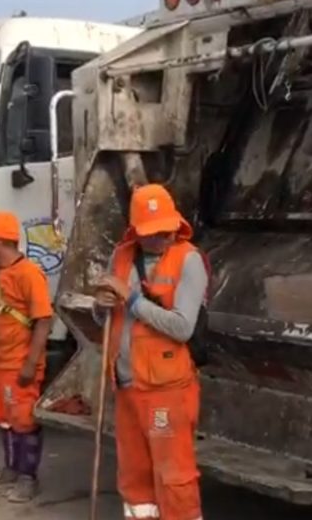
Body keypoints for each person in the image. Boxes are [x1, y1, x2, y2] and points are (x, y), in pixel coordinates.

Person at [93, 183, 208, 520]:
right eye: (152, 232)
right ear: (136, 232)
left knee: (174, 476)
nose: (161, 237)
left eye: (166, 230)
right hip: (126, 384)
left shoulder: (189, 261)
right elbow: (106, 316)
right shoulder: (121, 255)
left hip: (167, 390)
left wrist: (131, 299)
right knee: (134, 476)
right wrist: (100, 307)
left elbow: (182, 327)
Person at [0, 211, 53, 503]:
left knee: (23, 419)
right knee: (4, 418)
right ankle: (11, 470)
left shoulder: (29, 274)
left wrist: (30, 363)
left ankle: (28, 477)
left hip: (18, 364)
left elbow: (44, 320)